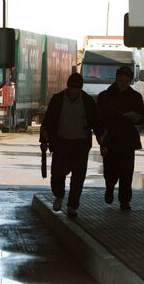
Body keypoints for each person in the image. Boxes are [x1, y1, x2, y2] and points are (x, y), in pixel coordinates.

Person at [40, 73, 104, 217]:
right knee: (57, 175)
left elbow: (98, 124)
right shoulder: (57, 100)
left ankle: (73, 206)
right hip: (61, 144)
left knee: (78, 178)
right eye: (72, 87)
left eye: (77, 88)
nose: (74, 91)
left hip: (81, 145)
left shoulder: (87, 102)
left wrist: (103, 143)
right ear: (67, 86)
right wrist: (44, 141)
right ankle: (59, 195)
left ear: (81, 88)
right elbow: (47, 123)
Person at [97, 66, 144, 211]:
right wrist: (102, 141)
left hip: (127, 142)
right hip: (110, 141)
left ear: (130, 81)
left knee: (126, 174)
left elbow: (143, 117)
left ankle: (125, 201)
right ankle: (110, 188)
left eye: (127, 81)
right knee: (110, 171)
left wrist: (136, 117)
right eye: (121, 80)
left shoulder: (135, 97)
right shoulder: (104, 96)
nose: (123, 83)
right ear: (116, 79)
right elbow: (99, 121)